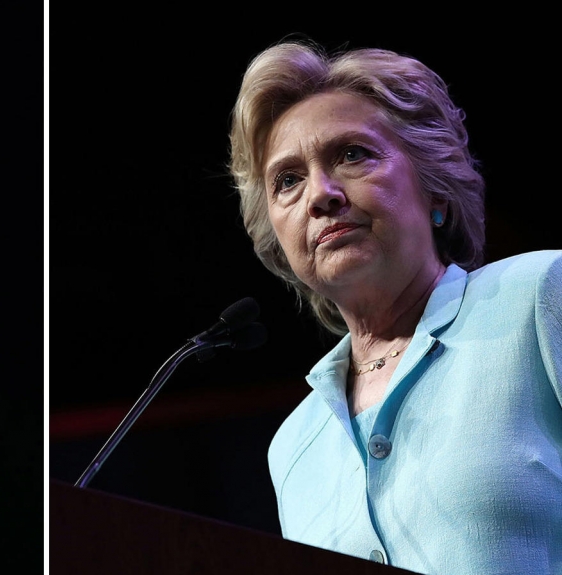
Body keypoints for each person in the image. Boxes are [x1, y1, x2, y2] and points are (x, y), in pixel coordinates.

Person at [227, 39, 562, 574]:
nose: (321, 194)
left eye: (352, 154)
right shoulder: (293, 446)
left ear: (435, 188)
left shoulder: (539, 295)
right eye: (287, 181)